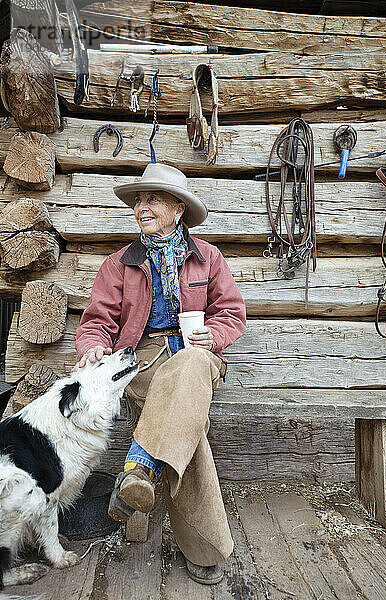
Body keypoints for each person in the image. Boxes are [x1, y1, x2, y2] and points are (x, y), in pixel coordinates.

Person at [74, 163, 246, 585]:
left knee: (187, 370)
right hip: (143, 359)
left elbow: (232, 312)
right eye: (138, 200)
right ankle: (205, 549)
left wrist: (214, 333)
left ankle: (138, 468)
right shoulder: (120, 264)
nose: (140, 207)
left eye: (152, 199)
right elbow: (97, 321)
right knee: (187, 422)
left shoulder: (208, 256)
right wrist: (94, 346)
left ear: (178, 209)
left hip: (197, 353)